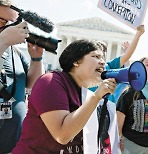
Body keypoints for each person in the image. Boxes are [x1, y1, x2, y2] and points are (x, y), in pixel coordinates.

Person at [12, 39, 116, 153]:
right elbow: (62, 135)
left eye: (102, 58)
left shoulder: (83, 92)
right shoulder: (51, 82)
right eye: (96, 56)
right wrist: (96, 97)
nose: (102, 63)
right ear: (76, 61)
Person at [0, 0, 45, 153]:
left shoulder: (15, 53)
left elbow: (33, 85)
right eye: (2, 21)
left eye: (12, 23)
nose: (8, 28)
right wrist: (3, 40)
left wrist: (36, 58)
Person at [89, 25, 145, 103]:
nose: (101, 53)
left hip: (106, 105)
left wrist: (138, 35)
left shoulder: (108, 66)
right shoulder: (86, 68)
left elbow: (127, 55)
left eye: (103, 52)